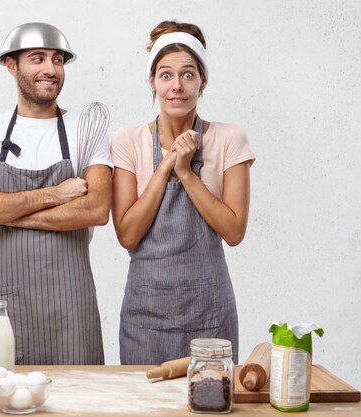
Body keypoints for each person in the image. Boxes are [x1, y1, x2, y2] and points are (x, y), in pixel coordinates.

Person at [0, 22, 112, 365]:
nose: (50, 69)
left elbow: (97, 210)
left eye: (57, 60)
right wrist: (57, 194)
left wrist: (4, 210)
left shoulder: (86, 131)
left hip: (71, 305)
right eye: (37, 59)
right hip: (5, 306)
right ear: (12, 66)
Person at [111, 21, 255, 365]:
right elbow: (127, 234)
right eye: (166, 75)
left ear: (203, 81)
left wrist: (187, 174)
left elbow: (234, 231)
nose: (177, 86)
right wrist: (165, 167)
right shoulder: (127, 141)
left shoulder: (229, 138)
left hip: (211, 312)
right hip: (146, 316)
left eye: (188, 75)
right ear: (152, 82)